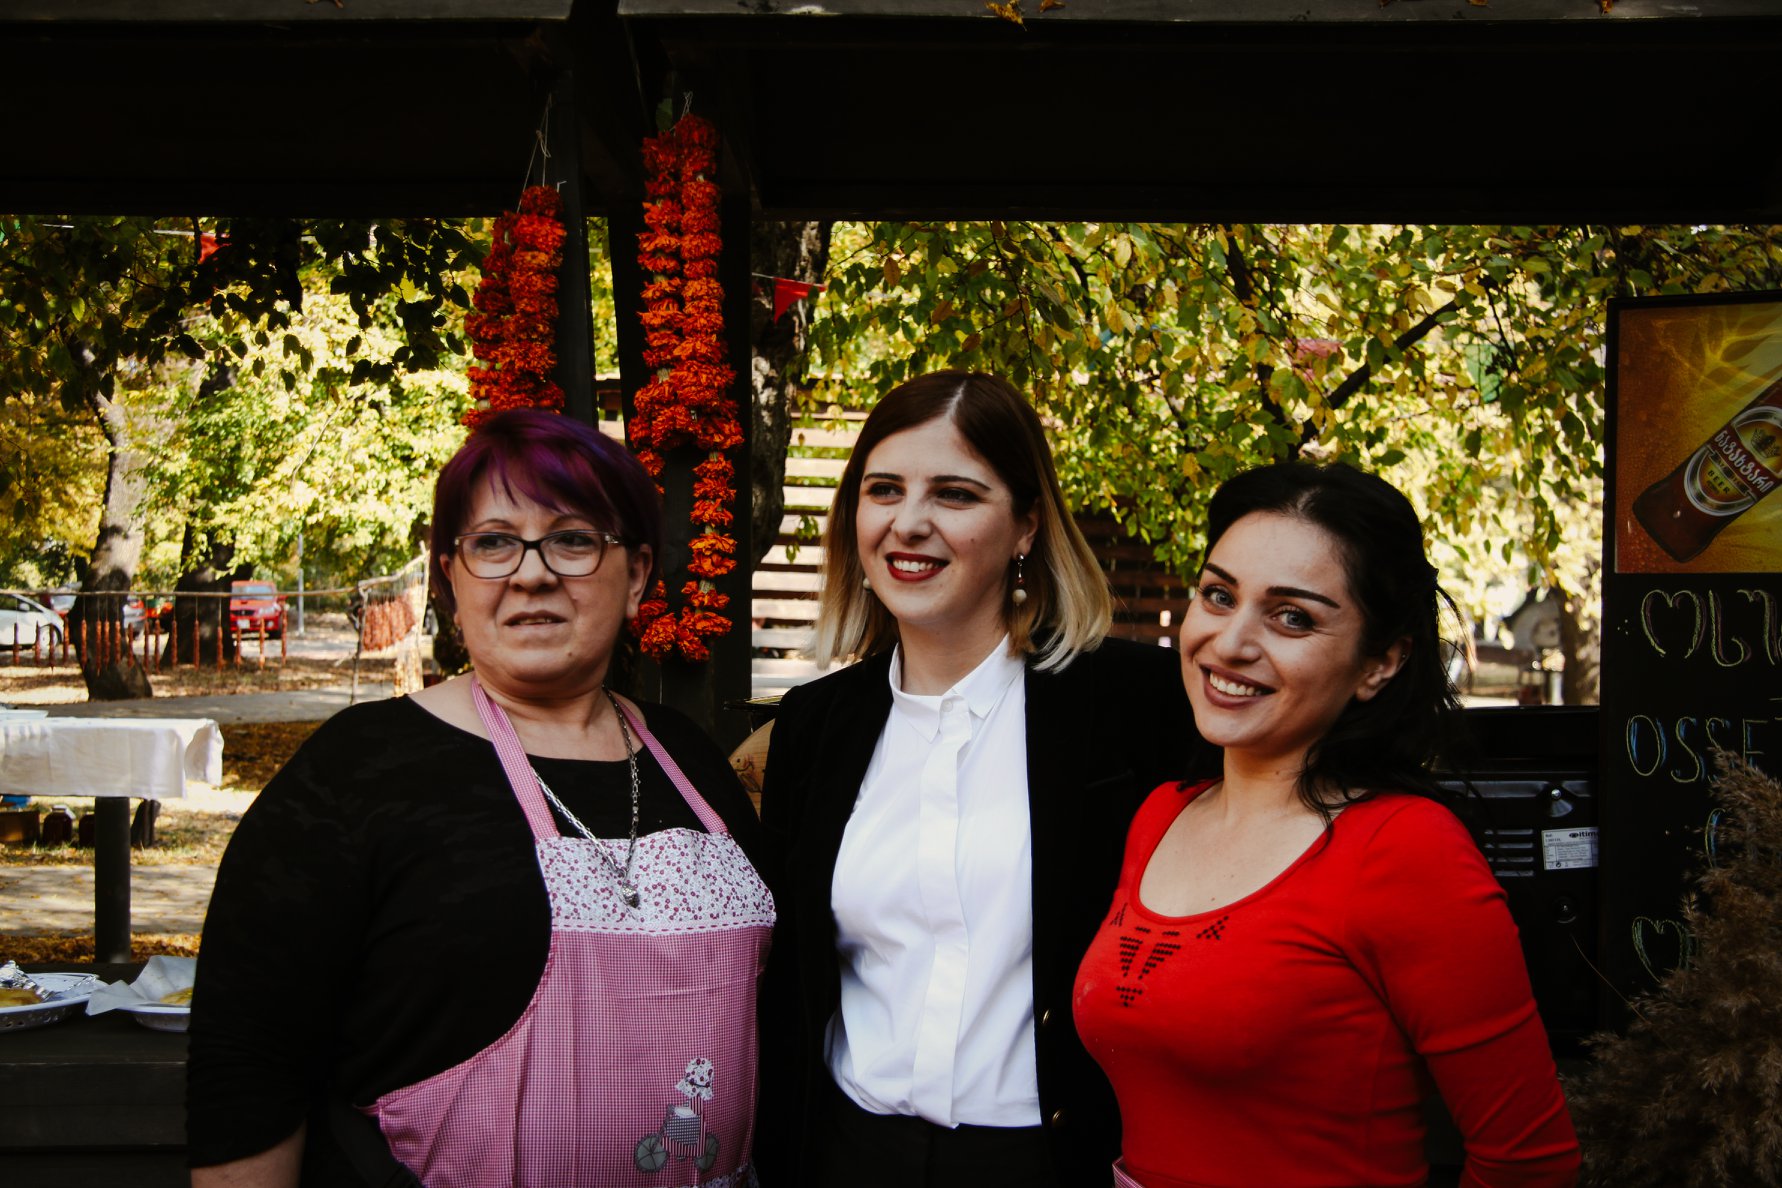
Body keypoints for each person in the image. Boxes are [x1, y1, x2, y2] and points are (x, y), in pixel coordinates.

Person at [187, 409, 773, 1188]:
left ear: (635, 575)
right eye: (494, 543)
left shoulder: (691, 761)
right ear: (451, 578)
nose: (531, 574)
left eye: (572, 539)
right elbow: (248, 1055)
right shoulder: (358, 771)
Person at [1072, 461, 1580, 1187]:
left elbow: (1531, 1162)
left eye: (1293, 617)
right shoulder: (1162, 816)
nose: (1230, 642)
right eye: (1219, 595)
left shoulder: (1405, 849)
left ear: (1381, 663)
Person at [757, 370, 1199, 1187]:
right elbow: (791, 976)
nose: (908, 523)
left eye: (955, 494)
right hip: (848, 1154)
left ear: (1027, 524)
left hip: (1052, 1158)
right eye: (883, 489)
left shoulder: (1136, 706)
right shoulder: (815, 725)